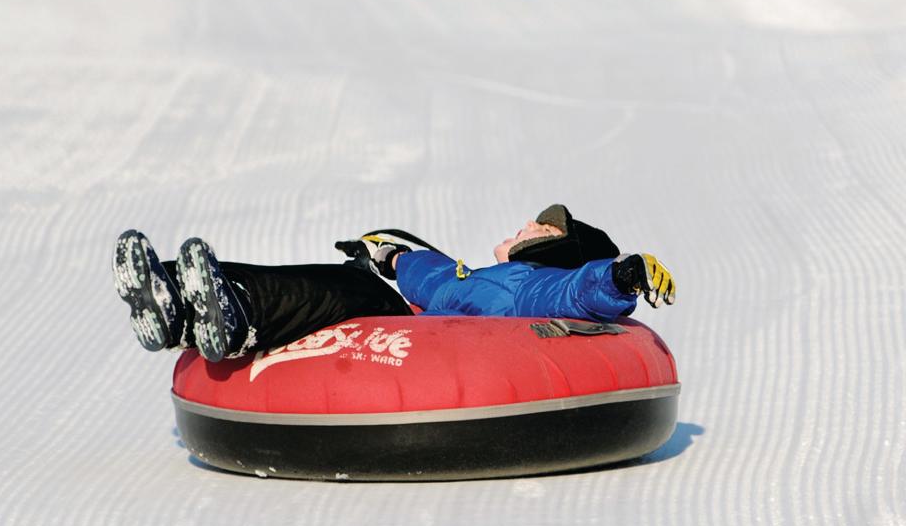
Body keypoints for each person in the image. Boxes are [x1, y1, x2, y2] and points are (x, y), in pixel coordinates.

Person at [113, 204, 675, 363]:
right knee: (343, 281)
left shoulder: (537, 286)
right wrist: (388, 255)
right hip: (416, 318)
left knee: (349, 294)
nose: (526, 224)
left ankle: (231, 305)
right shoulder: (483, 277)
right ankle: (177, 304)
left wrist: (622, 273)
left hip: (421, 341)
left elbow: (582, 292)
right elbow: (434, 274)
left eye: (542, 226)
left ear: (559, 247)